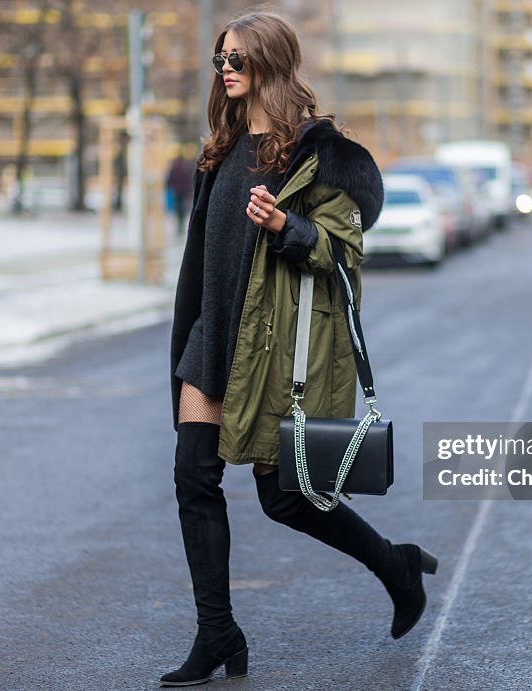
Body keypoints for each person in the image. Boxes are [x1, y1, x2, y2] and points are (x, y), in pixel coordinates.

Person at [164, 11, 438, 688]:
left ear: (272, 64)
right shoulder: (221, 146)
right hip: (213, 333)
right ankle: (217, 629)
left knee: (283, 496)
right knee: (193, 478)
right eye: (220, 58)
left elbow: (344, 250)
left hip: (269, 347)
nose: (225, 69)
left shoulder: (316, 153)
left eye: (238, 59)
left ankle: (394, 565)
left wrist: (290, 226)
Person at [166, 153, 195, 237]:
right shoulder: (186, 167)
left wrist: (172, 186)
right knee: (182, 209)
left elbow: (170, 179)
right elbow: (190, 179)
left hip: (177, 191)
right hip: (184, 191)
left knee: (178, 209)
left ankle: (179, 226)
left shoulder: (174, 167)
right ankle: (181, 226)